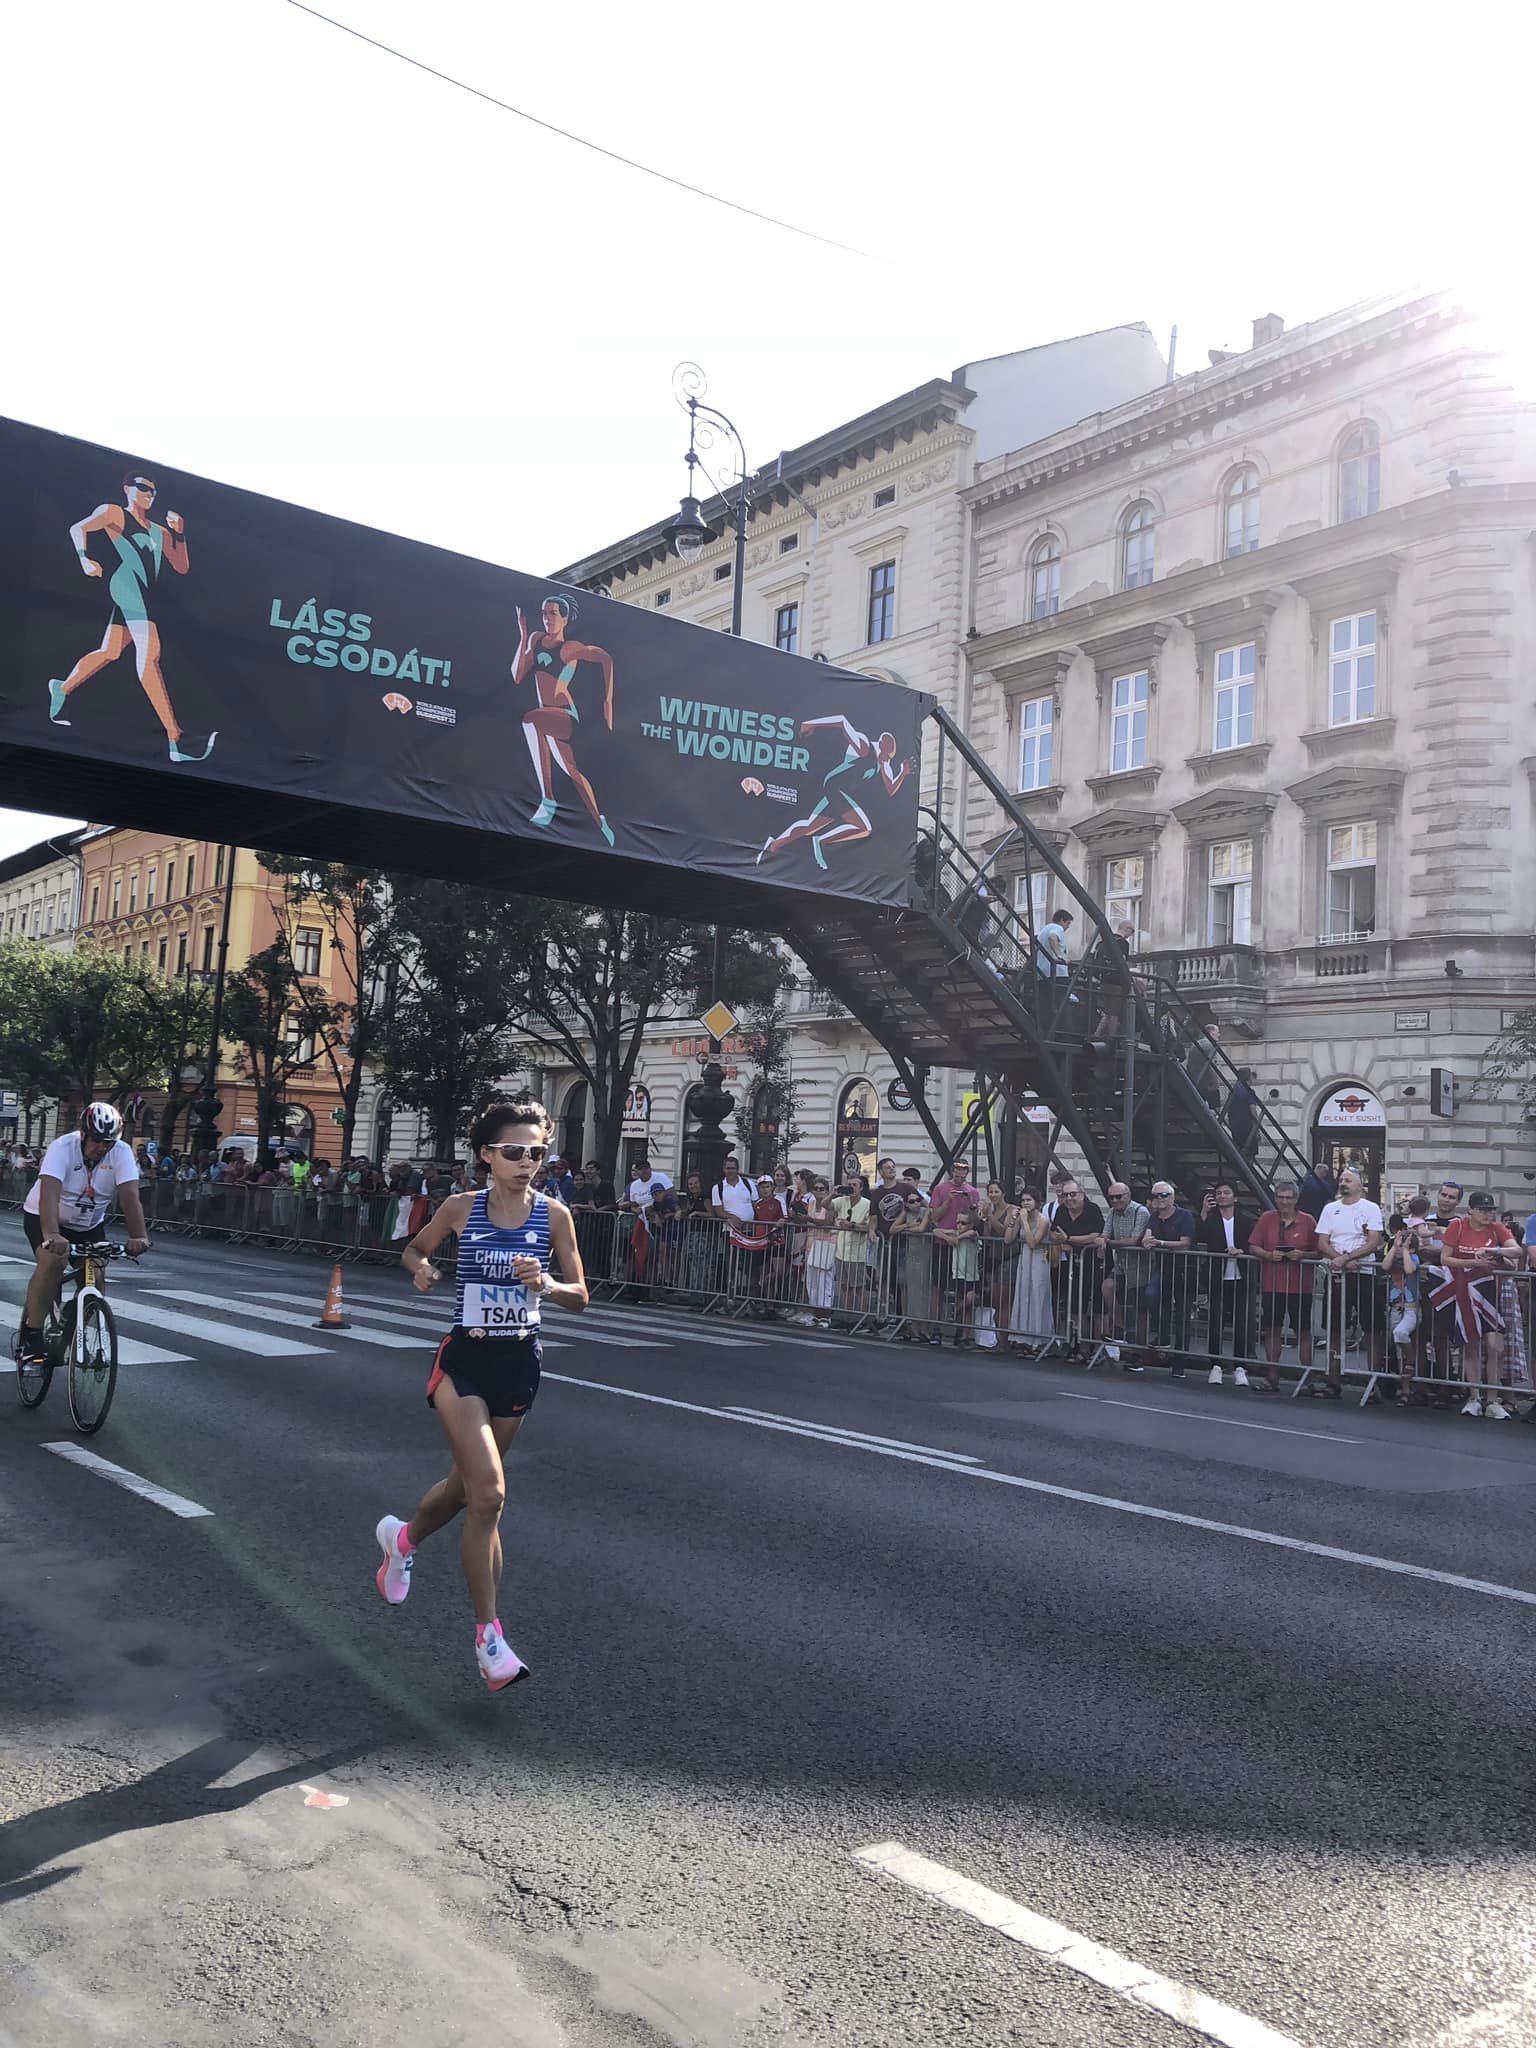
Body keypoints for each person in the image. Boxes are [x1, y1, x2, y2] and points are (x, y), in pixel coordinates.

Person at [377, 1098, 587, 1692]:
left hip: (518, 1363)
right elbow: (413, 1248)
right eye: (514, 1152)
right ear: (487, 1155)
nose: (527, 1162)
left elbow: (581, 1295)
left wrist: (547, 1283)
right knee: (490, 1495)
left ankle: (402, 1539)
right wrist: (420, 1268)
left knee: (464, 1489)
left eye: (537, 1153)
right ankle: (489, 1639)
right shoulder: (460, 1208)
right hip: (463, 1362)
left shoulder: (554, 1216)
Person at [47, 470, 216, 762]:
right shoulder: (114, 513)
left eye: (153, 492)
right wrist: (85, 559)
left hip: (145, 592)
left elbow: (181, 566)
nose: (149, 495)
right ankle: (175, 737)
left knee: (110, 651)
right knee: (149, 655)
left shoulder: (159, 531)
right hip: (126, 586)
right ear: (127, 488)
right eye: (142, 488)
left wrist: (179, 534)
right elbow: (78, 528)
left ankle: (61, 687)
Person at [15, 1103, 150, 1370]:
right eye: (96, 1140)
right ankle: (32, 1335)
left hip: (88, 1224)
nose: (102, 1147)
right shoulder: (62, 1148)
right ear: (84, 1134)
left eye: (108, 1142)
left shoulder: (121, 1152)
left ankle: (71, 1323)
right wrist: (52, 1234)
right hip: (46, 1216)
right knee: (52, 1262)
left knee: (95, 1276)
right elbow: (49, 1193)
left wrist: (138, 1235)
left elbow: (129, 1196)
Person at [511, 595, 616, 844]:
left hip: (566, 715)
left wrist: (608, 701)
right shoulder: (536, 639)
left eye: (553, 613)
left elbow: (605, 658)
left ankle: (548, 800)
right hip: (547, 715)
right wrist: (523, 636)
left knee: (530, 720)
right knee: (572, 771)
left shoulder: (570, 648)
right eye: (544, 613)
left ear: (565, 619)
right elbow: (517, 675)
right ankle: (601, 824)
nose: (547, 619)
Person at [755, 715, 915, 874]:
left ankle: (773, 845)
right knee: (864, 827)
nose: (886, 761)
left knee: (809, 826)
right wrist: (811, 724)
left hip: (841, 794)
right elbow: (842, 721)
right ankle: (821, 841)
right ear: (881, 745)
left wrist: (903, 772)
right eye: (885, 756)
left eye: (889, 759)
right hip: (835, 785)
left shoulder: (883, 762)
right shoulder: (864, 746)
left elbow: (890, 788)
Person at [1434, 1192, 1522, 1418]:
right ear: (1471, 1210)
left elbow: (1517, 1250)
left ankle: (1492, 1399)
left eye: (1490, 1210)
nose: (1487, 1214)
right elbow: (1445, 1258)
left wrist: (1495, 1250)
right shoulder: (1458, 1227)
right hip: (1464, 1289)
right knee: (1471, 1344)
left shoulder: (1496, 1228)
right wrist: (1474, 1261)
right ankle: (1474, 1397)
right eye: (1482, 1210)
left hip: (1490, 1291)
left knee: (1495, 1347)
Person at [1313, 1168, 1385, 1396]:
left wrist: (1348, 1258)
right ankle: (1333, 1380)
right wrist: (1340, 1260)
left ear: (1360, 1185)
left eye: (1349, 1180)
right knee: (1334, 1328)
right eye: (1342, 1179)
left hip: (1364, 1274)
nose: (1343, 1183)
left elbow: (1373, 1241)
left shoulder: (1370, 1208)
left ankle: (1373, 1384)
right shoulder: (1330, 1209)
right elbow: (1322, 1242)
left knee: (1372, 1329)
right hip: (1337, 1274)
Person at [1248, 1180, 1317, 1391]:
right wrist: (1269, 1255)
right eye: (1281, 1197)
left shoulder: (1308, 1221)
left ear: (1296, 1199)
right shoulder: (1267, 1218)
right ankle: (1272, 1376)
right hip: (1272, 1283)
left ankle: (1307, 1379)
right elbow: (1253, 1246)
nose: (1284, 1202)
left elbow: (1319, 1251)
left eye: (1288, 1198)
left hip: (1300, 1285)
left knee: (1303, 1331)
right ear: (1276, 1198)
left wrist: (1302, 1255)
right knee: (1272, 1330)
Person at [1197, 1182, 1258, 1384]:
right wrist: (1204, 1212)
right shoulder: (1212, 1220)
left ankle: (1240, 1366)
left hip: (1241, 1277)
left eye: (1226, 1192)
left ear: (1235, 1197)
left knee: (1241, 1323)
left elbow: (1253, 1245)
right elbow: (1199, 1236)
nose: (1222, 1196)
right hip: (1218, 1277)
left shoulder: (1246, 1221)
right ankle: (1215, 1364)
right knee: (1216, 1322)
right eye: (1218, 1193)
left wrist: (1241, 1251)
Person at [1141, 1180, 1196, 1375]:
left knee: (1182, 1315)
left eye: (1163, 1195)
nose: (1159, 1199)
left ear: (1172, 1197)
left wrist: (1161, 1243)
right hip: (1163, 1268)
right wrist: (1147, 1242)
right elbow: (1147, 1236)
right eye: (1155, 1195)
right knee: (1151, 1295)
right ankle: (1162, 1336)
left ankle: (1179, 1362)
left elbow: (1185, 1243)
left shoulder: (1184, 1216)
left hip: (1184, 1269)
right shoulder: (1154, 1217)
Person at [1100, 1181, 1151, 1366]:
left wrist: (1108, 1243)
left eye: (1118, 1197)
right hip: (1121, 1264)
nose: (1115, 1201)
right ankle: (1119, 1327)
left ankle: (1139, 1352)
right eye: (1111, 1197)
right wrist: (1103, 1240)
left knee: (1140, 1310)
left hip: (1140, 1266)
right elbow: (1105, 1233)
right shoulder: (1112, 1212)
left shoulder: (1141, 1212)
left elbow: (1134, 1240)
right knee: (1107, 1286)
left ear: (1128, 1195)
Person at [1050, 1180, 1105, 1352]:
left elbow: (1094, 1236)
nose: (1069, 1198)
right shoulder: (1061, 1210)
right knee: (1074, 1305)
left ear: (1082, 1194)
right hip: (1073, 1265)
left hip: (1095, 1264)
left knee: (1097, 1308)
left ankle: (1096, 1348)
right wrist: (1060, 1241)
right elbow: (1054, 1233)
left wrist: (1069, 1239)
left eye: (1073, 1194)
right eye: (1065, 1195)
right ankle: (1079, 1345)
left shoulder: (1092, 1209)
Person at [1006, 1190, 1053, 1353]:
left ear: (1036, 1202)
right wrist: (1013, 1220)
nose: (1025, 1203)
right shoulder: (1020, 1217)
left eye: (1029, 1200)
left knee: (1037, 1295)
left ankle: (1039, 1338)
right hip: (1025, 1259)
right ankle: (1023, 1336)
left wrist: (1025, 1221)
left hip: (1039, 1260)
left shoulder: (1043, 1220)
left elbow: (1033, 1243)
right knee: (1024, 1295)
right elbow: (1008, 1239)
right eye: (1023, 1200)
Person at [1185, 1020, 1223, 1116]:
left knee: (1198, 1109)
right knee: (1216, 1110)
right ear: (1211, 1032)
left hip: (1195, 1082)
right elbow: (1211, 1065)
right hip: (1208, 1083)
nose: (1219, 1034)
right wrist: (1215, 1083)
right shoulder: (1211, 1045)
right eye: (1217, 1032)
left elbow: (1189, 1064)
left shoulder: (1194, 1045)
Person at [1225, 1067, 1262, 1161]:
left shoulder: (1233, 1091)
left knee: (1239, 1153)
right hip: (1247, 1127)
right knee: (1250, 1154)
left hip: (1235, 1126)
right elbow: (1252, 1110)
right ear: (1248, 1078)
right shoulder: (1249, 1092)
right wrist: (1257, 1127)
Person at [1296, 1157, 1337, 1222]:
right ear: (1324, 1173)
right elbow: (1330, 1199)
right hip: (1317, 1215)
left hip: (1301, 1213)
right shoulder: (1325, 1185)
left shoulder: (1304, 1181)